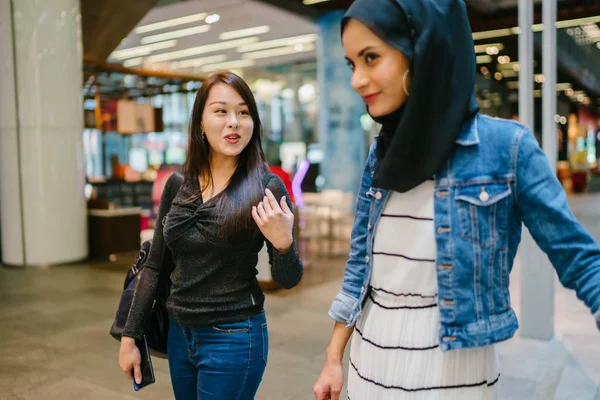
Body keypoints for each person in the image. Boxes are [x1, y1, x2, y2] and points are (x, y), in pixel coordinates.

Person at [313, 1, 600, 399]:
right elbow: (359, 269)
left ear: (423, 49)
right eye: (350, 64)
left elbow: (579, 257)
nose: (357, 80)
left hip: (452, 370)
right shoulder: (382, 152)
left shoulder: (505, 148)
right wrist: (332, 358)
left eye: (371, 58)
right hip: (370, 363)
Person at [119, 71, 303, 400]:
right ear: (200, 122)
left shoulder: (266, 187)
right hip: (180, 333)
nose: (234, 122)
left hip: (234, 336)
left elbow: (288, 280)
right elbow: (155, 264)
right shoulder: (179, 183)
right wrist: (130, 336)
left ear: (254, 123)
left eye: (243, 112)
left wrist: (284, 243)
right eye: (221, 111)